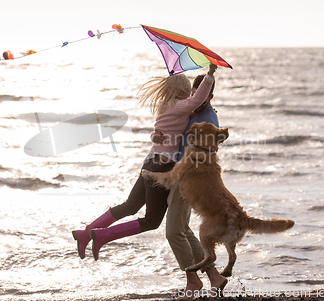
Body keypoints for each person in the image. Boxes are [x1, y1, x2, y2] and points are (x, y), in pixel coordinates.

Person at [72, 65, 218, 261]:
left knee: (130, 206)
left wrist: (155, 136)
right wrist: (210, 75)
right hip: (160, 166)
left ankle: (86, 233)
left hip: (150, 161)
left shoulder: (167, 105)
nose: (191, 94)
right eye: (188, 90)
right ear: (183, 91)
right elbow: (198, 100)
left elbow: (169, 125)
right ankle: (100, 236)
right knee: (152, 220)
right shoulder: (180, 106)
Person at [151, 74, 227, 295]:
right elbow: (174, 135)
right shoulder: (192, 113)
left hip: (190, 180)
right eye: (194, 94)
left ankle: (193, 280)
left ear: (210, 96)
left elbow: (208, 153)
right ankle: (215, 276)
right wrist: (158, 136)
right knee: (183, 230)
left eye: (202, 96)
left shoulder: (208, 119)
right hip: (181, 175)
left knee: (174, 233)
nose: (197, 99)